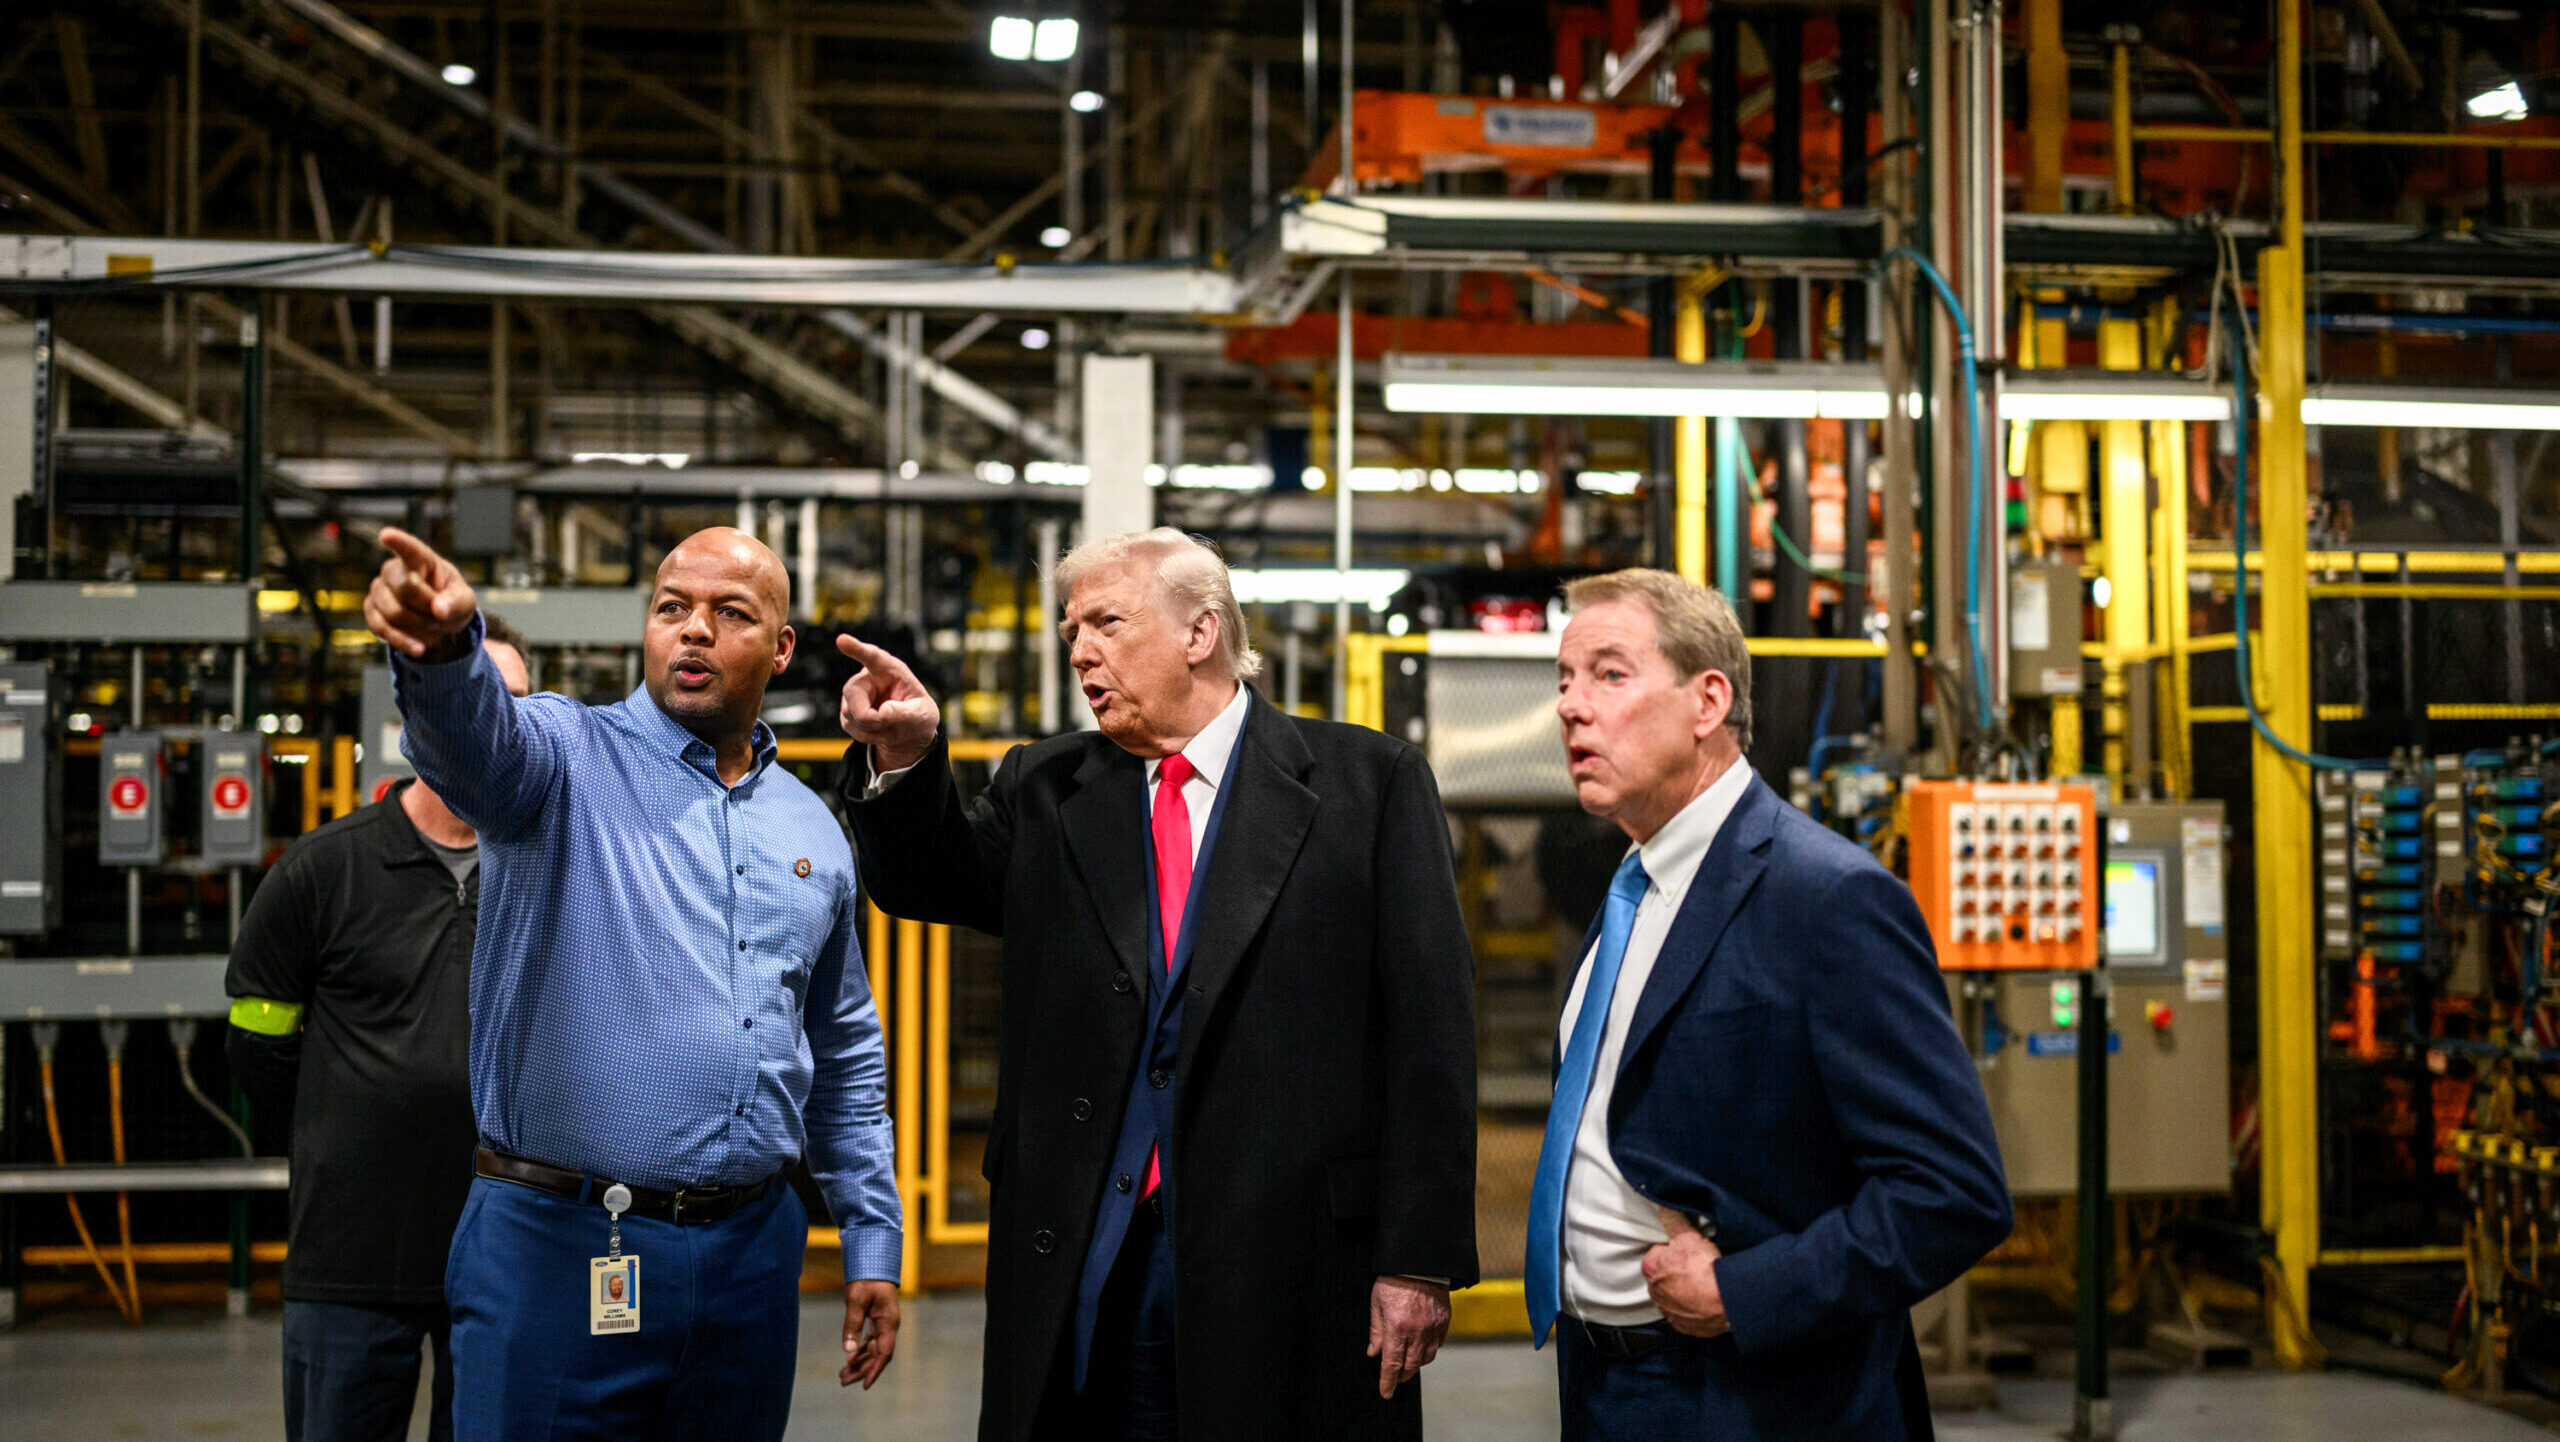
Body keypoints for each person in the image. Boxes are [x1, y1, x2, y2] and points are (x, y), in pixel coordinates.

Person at [837, 527, 1478, 1442]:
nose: (1081, 651)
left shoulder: (1366, 786)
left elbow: (1433, 1036)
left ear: (1199, 632)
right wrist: (905, 759)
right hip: (1092, 1248)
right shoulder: (1046, 785)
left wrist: (1417, 1259)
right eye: (1071, 633)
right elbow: (932, 882)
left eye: (1106, 622)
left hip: (1290, 1254)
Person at [359, 524, 901, 1441]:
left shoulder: (809, 827)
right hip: (556, 1249)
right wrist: (446, 652)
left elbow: (843, 1049)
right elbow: (471, 744)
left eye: (729, 614)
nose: (693, 631)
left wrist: (872, 1239)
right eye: (671, 608)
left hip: (750, 1262)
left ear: (780, 649)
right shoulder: (562, 759)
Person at [1529, 569, 2012, 1442]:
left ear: (1708, 700)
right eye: (1564, 679)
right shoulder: (1634, 887)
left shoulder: (1824, 899)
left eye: (1608, 674)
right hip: (1602, 1384)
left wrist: (1744, 1292)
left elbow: (1953, 1192)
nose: (1571, 706)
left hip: (1752, 1396)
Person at [226, 618, 532, 1442]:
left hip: (506, 1253)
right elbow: (258, 1043)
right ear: (425, 719)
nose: (489, 726)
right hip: (351, 1258)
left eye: (512, 707)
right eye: (472, 701)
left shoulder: (549, 876)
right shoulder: (323, 870)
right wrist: (356, 1126)